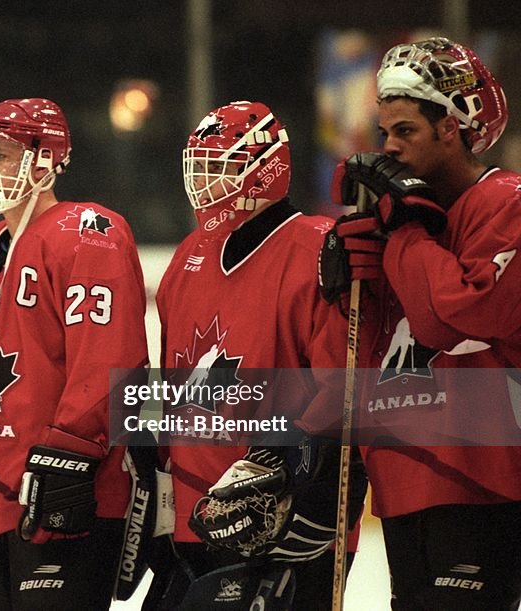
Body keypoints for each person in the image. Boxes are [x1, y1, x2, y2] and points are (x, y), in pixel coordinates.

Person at [322, 37, 521, 610]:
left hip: (485, 480)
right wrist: (342, 276)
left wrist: (406, 233)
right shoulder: (391, 224)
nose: (389, 149)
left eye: (405, 131)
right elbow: (365, 353)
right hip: (404, 480)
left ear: (451, 128)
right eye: (384, 133)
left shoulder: (506, 201)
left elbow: (459, 319)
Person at [148, 101, 367, 609]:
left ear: (266, 168)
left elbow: (343, 388)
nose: (204, 181)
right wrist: (157, 496)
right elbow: (172, 391)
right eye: (198, 166)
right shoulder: (188, 256)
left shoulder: (318, 249)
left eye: (217, 166)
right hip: (193, 516)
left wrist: (318, 497)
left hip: (283, 519)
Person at [0, 97, 149, 610]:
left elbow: (108, 360)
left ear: (44, 160)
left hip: (67, 489)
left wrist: (72, 455)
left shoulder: (89, 232)